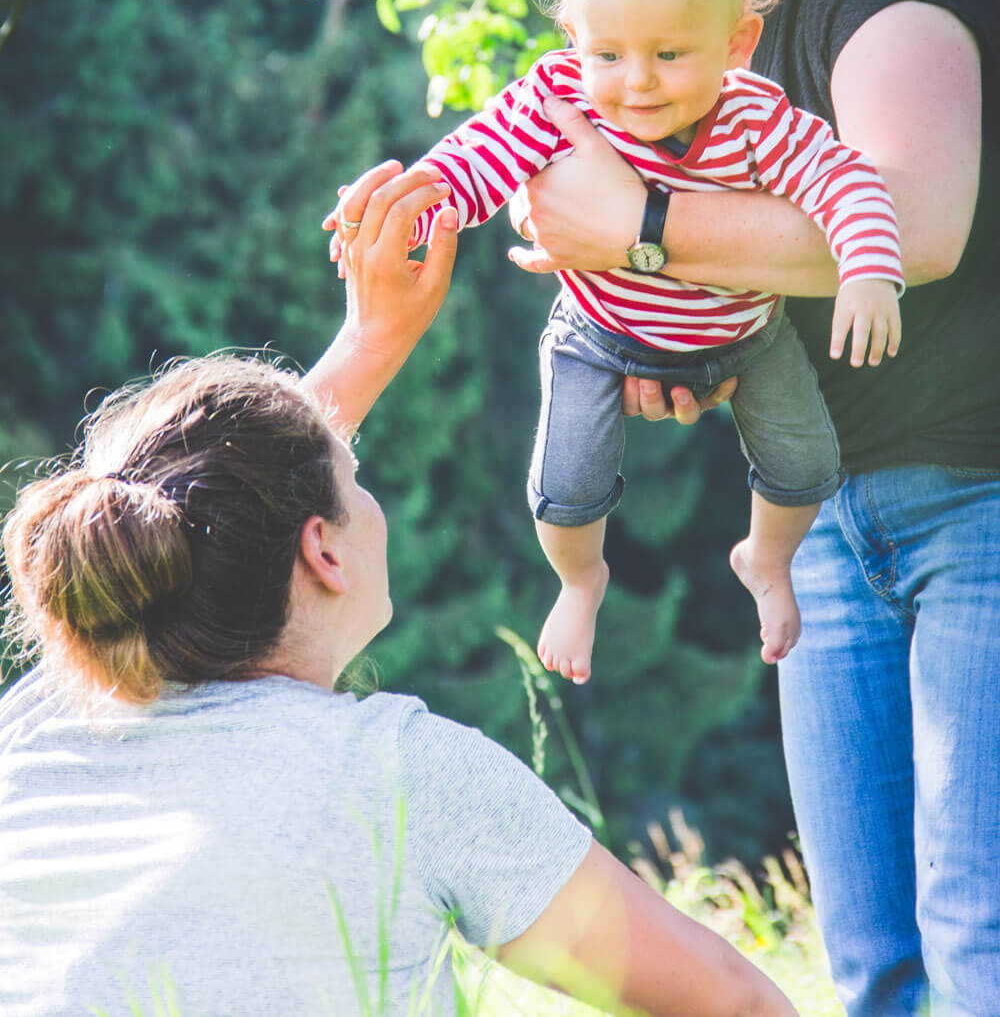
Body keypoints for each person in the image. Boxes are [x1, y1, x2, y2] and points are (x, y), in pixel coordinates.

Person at [494, 0, 1000, 1017]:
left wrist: (640, 223)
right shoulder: (650, 48)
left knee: (982, 942)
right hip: (824, 525)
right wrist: (677, 356)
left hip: (984, 504)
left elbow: (922, 219)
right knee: (874, 967)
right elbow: (732, 286)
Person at [0, 164, 797, 1017]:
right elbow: (736, 1006)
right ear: (324, 553)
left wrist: (371, 340)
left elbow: (212, 502)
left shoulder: (36, 732)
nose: (367, 494)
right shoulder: (399, 774)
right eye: (357, 479)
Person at [331, 0, 902, 684]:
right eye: (609, 54)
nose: (637, 83)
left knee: (807, 462)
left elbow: (849, 184)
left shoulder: (756, 119)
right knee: (567, 485)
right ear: (573, 40)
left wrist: (870, 271)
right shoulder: (559, 98)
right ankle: (580, 579)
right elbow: (472, 162)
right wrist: (407, 213)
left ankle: (767, 559)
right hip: (599, 335)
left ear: (737, 42)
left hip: (746, 334)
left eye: (671, 54)